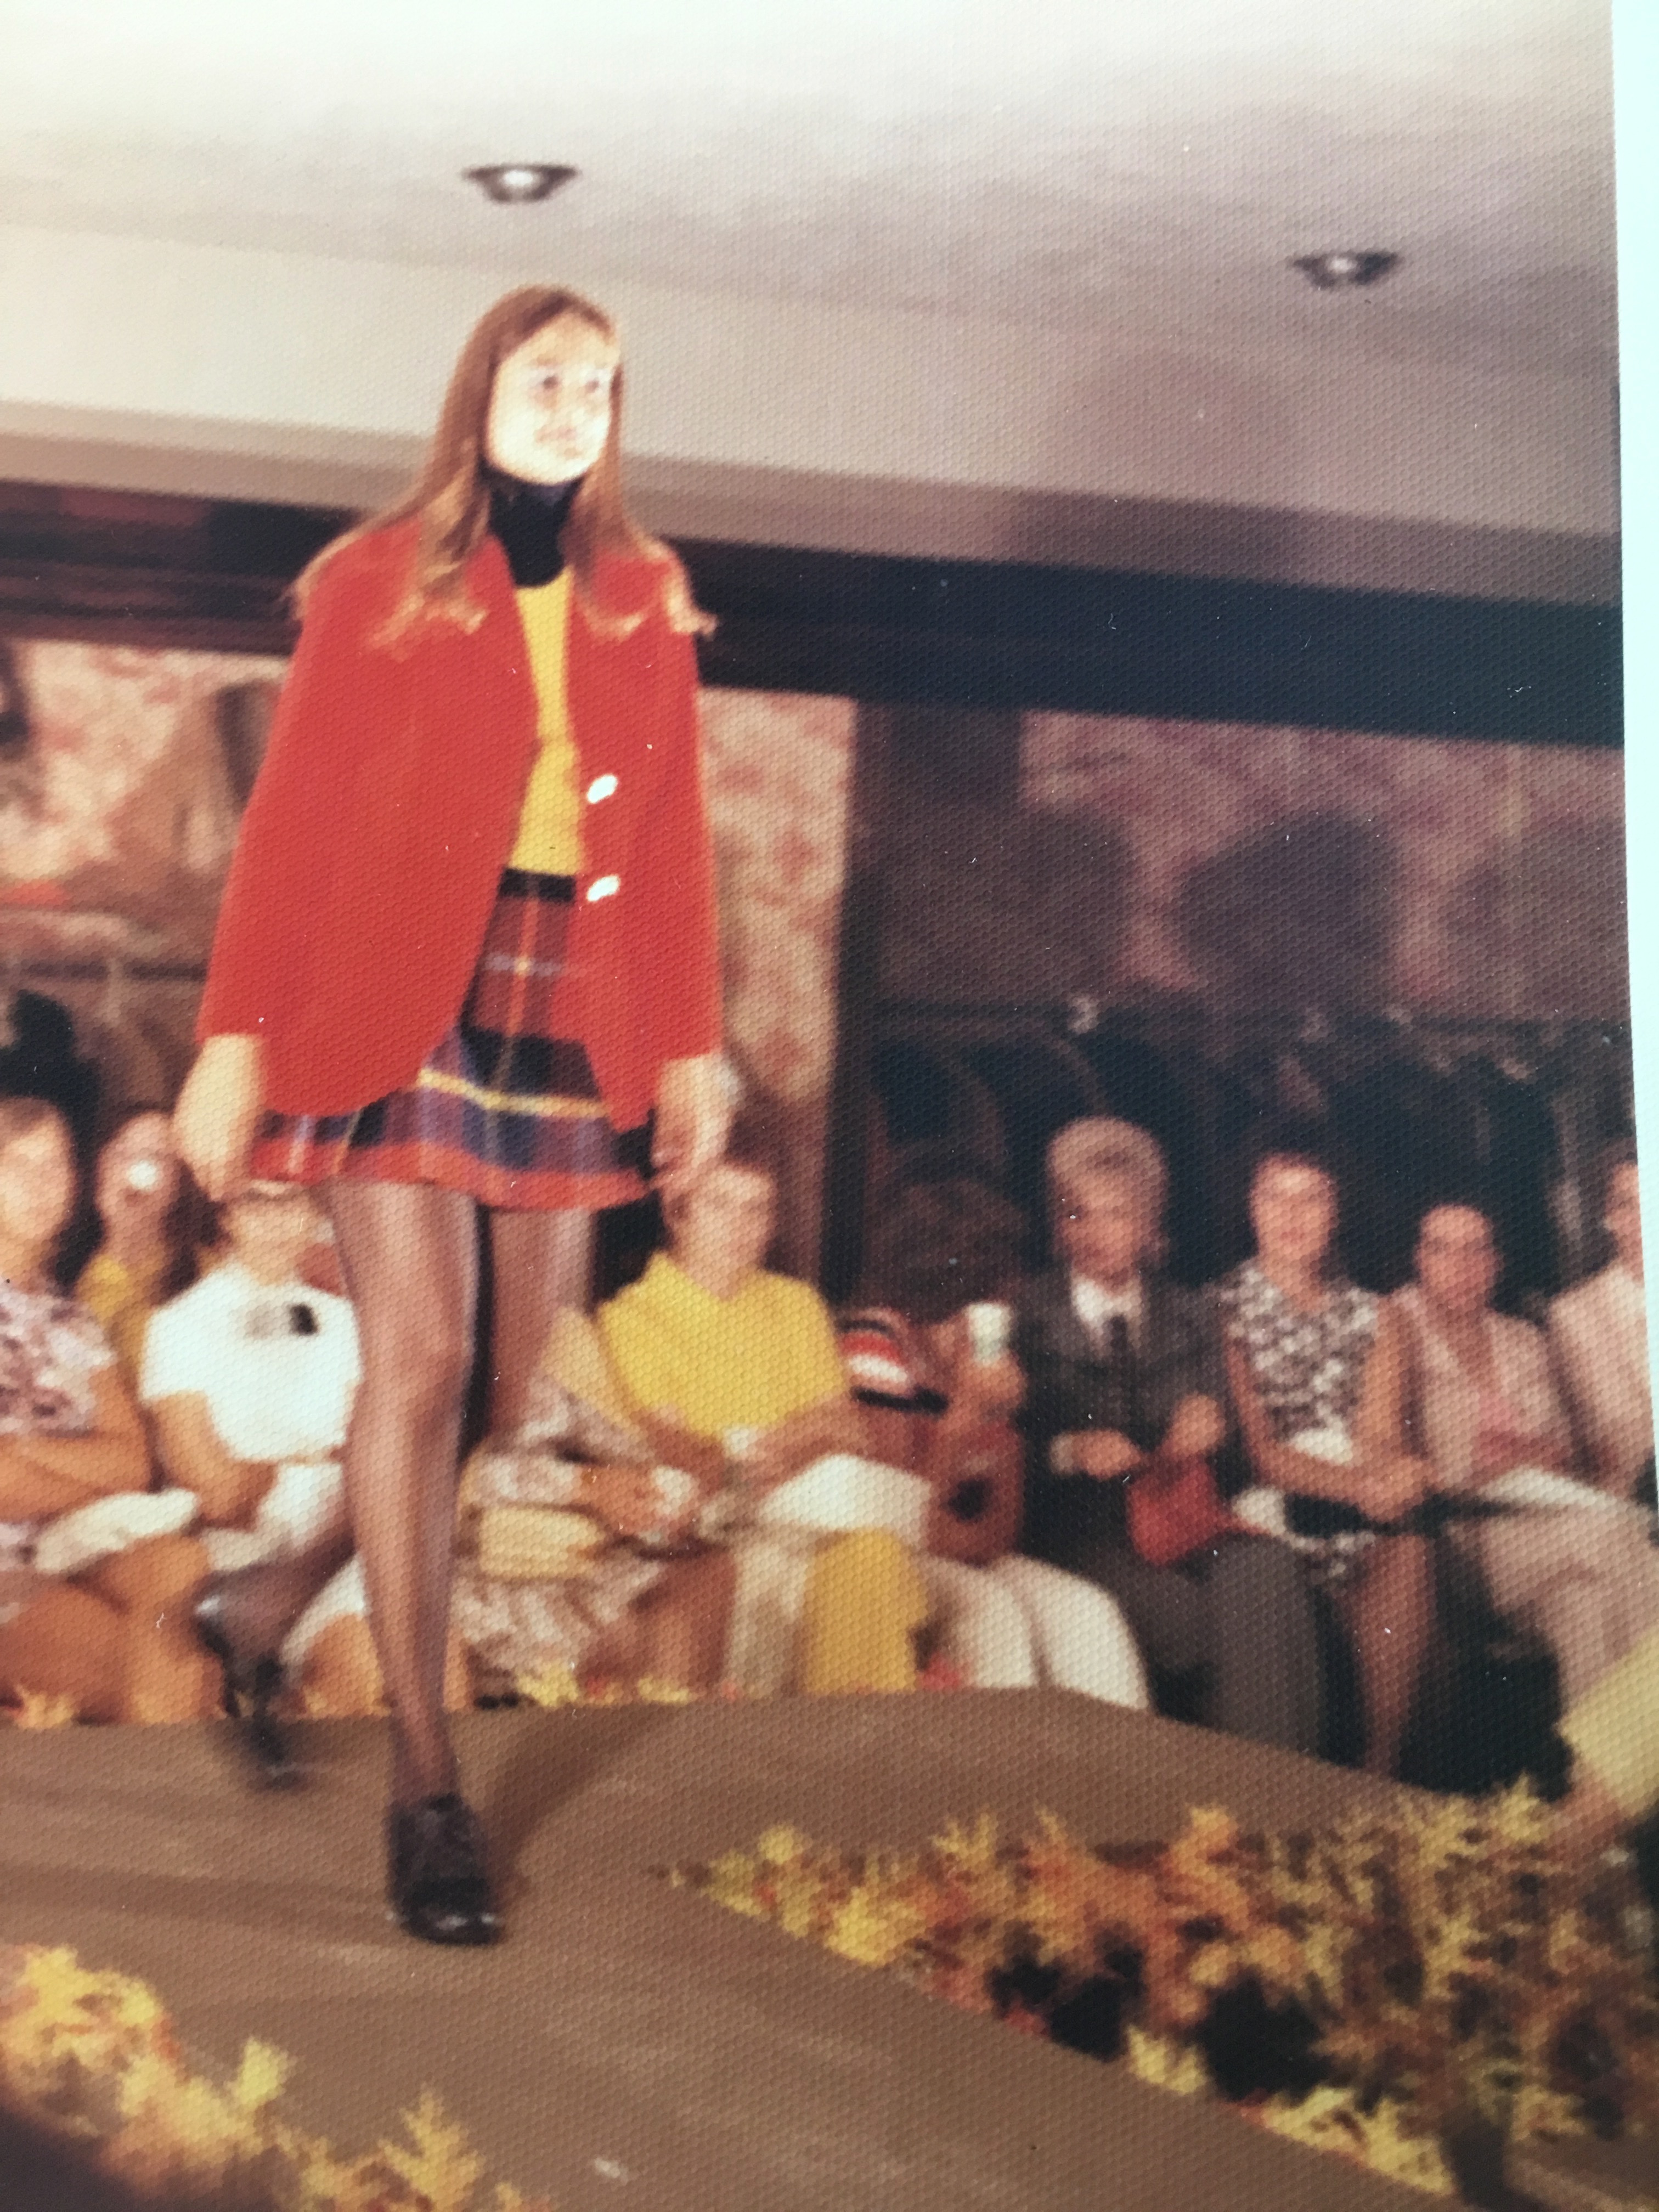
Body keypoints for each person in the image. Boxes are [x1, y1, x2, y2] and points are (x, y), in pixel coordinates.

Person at [173, 286, 729, 1946]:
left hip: (573, 997)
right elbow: (290, 821)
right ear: (480, 391)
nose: (572, 407)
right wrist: (232, 1041)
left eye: (599, 386)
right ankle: (428, 1790)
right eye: (544, 377)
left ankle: (269, 1596)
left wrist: (690, 1050)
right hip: (399, 993)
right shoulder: (378, 577)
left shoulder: (644, 594)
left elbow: (676, 838)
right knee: (415, 1360)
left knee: (497, 1387)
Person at [595, 1139, 1040, 1695]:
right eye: (719, 1205)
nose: (740, 1228)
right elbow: (681, 1459)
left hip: (815, 1525)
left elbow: (851, 1433)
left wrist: (776, 1445)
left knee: (871, 1556)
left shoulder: (796, 1304)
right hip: (717, 1544)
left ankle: (860, 1734)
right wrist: (803, 1436)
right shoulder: (633, 1318)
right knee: (882, 1560)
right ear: (676, 1211)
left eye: (758, 1208)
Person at [1014, 1118, 1323, 1752]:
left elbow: (1238, 1468)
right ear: (1057, 1225)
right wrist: (1069, 1451)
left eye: (1116, 1214)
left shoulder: (1193, 1314)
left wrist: (1209, 1435)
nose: (1094, 1233)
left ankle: (1273, 1787)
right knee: (1187, 1621)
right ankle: (1235, 1786)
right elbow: (1004, 1453)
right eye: (1076, 1214)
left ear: (1149, 1225)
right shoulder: (1026, 1315)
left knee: (1265, 1569)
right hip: (1079, 1530)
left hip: (1180, 1520)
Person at [840, 1167, 1148, 1706]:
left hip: (966, 1552)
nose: (1008, 1300)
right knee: (993, 1615)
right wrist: (963, 1417)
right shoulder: (878, 1342)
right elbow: (894, 1519)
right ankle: (999, 1763)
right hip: (891, 1561)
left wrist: (998, 1417)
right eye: (993, 1287)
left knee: (1089, 1613)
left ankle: (1122, 1760)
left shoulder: (990, 1356)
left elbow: (1004, 1525)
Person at [1355, 1200, 1659, 1715]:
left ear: (1496, 1262)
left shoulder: (1525, 1340)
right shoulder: (1394, 1331)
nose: (1461, 1267)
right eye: (1442, 1250)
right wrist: (1497, 1466)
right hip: (1463, 1541)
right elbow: (1390, 1453)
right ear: (1420, 1259)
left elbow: (1563, 1451)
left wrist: (1537, 1457)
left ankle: (1601, 1763)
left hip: (1551, 1532)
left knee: (1585, 1610)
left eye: (1476, 1250)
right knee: (1622, 1537)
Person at [139, 1180, 394, 1722]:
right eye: (257, 1201)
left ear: (314, 1211)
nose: (277, 1220)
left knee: (427, 1664)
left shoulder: (347, 1323)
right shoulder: (179, 1325)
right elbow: (215, 1492)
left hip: (339, 1544)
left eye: (292, 1201)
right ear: (227, 1214)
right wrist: (315, 1470)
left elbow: (372, 1461)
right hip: (245, 1562)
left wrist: (278, 1472)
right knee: (355, 1679)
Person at [1215, 1148, 1432, 1775]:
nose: (1292, 1214)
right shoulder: (1220, 1310)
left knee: (1410, 1537)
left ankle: (1379, 1767)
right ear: (1251, 1208)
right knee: (1318, 1534)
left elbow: (1378, 1434)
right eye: (1275, 1196)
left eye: (1311, 1197)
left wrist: (1392, 1471)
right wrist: (1362, 1488)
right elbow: (1260, 1456)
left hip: (1355, 1488)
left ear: (1336, 1212)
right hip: (1271, 1495)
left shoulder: (1378, 1315)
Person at [0, 1097, 211, 1725]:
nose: (42, 1185)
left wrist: (26, 1450)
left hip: (66, 1548)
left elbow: (133, 1465)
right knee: (164, 1676)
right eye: (18, 1165)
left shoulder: (72, 1319)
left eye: (55, 1165)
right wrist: (81, 1471)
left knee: (178, 1564)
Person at [1549, 1142, 1652, 1502]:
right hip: (1630, 1501)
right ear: (1608, 1216)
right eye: (1626, 1205)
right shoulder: (1573, 1316)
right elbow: (1597, 1441)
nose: (1642, 1220)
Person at [74, 1110, 204, 1392]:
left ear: (178, 1183)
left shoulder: (208, 1269)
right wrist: (120, 1240)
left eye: (157, 1157)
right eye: (122, 1154)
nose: (137, 1171)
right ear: (101, 1166)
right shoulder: (65, 1273)